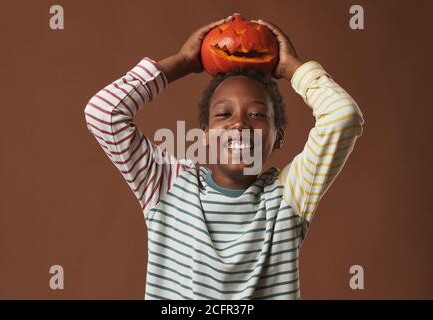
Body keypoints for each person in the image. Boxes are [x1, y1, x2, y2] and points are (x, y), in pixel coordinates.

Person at [84, 13, 364, 299]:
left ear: (277, 136)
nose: (239, 125)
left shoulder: (289, 196)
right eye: (223, 114)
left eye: (256, 114)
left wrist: (292, 67)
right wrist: (180, 63)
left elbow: (344, 116)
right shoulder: (167, 185)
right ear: (205, 133)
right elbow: (102, 114)